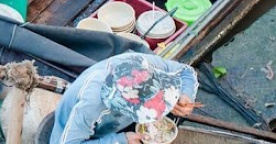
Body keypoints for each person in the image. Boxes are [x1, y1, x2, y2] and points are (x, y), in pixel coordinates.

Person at [50, 52, 198, 144]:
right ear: (124, 105)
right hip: (78, 135)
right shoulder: (92, 105)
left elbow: (186, 72)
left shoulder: (141, 63)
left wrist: (186, 94)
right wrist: (121, 140)